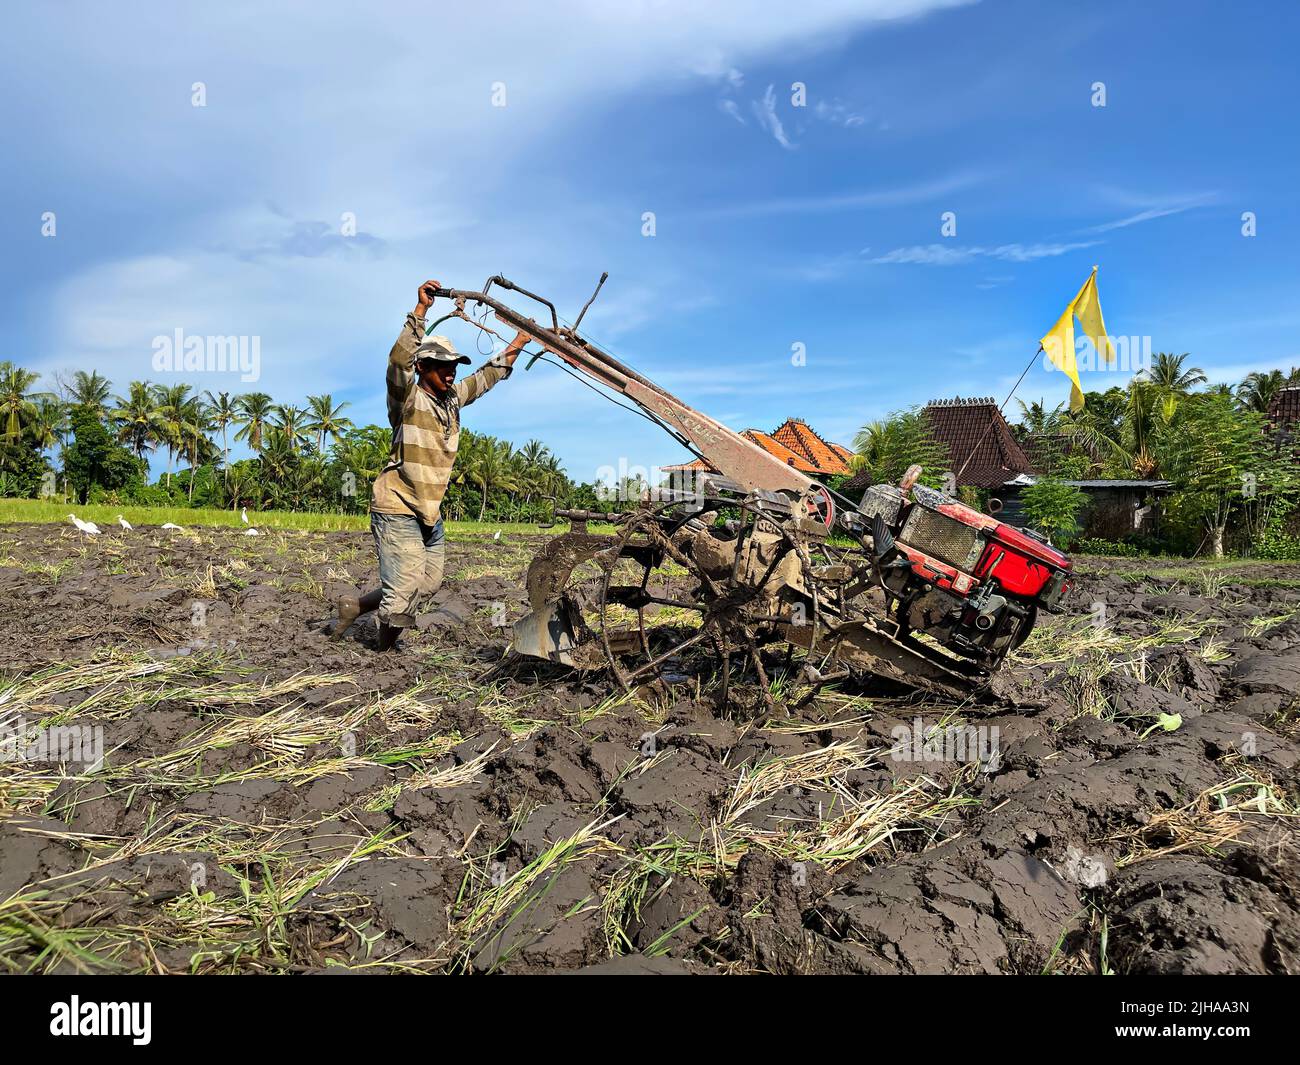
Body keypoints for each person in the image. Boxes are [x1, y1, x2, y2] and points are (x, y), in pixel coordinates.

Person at [332, 279, 529, 650]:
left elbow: (488, 376)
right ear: (422, 367)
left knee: (427, 584)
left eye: (453, 365)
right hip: (398, 507)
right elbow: (397, 360)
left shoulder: (452, 399)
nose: (450, 371)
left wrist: (519, 343)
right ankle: (382, 653)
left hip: (430, 512)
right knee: (404, 592)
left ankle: (354, 607)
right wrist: (420, 311)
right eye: (442, 366)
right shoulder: (407, 398)